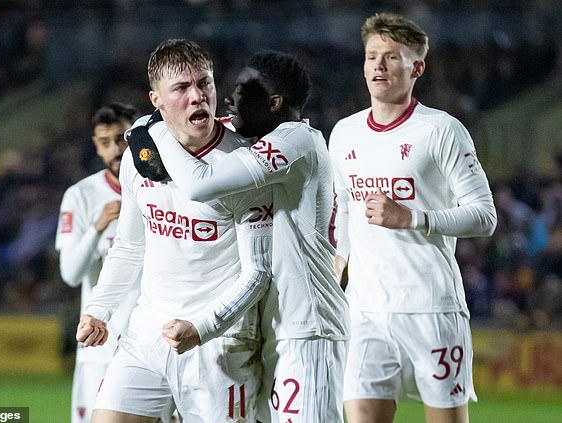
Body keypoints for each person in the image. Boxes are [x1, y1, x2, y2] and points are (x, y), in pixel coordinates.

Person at [76, 39, 274, 423]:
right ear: (157, 100)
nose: (198, 97)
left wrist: (202, 328)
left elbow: (257, 272)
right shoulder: (140, 160)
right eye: (182, 88)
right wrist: (100, 309)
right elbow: (131, 247)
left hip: (219, 344)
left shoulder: (242, 165)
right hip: (147, 334)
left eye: (205, 84)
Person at [148, 50, 350, 423]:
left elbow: (200, 184)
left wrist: (157, 128)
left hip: (309, 330)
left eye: (242, 90)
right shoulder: (268, 143)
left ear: (273, 102)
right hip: (280, 327)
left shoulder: (296, 141)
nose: (229, 98)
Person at [328, 12, 497, 423]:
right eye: (371, 57)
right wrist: (340, 263)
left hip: (431, 309)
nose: (378, 66)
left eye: (391, 57)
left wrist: (414, 219)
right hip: (365, 311)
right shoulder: (343, 134)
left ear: (416, 67)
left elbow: (485, 216)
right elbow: (346, 208)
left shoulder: (441, 130)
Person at [55, 103, 139, 423]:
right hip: (98, 348)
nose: (116, 150)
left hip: (149, 342)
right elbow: (71, 274)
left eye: (122, 139)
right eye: (105, 143)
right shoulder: (81, 195)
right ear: (96, 145)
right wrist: (97, 227)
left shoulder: (160, 188)